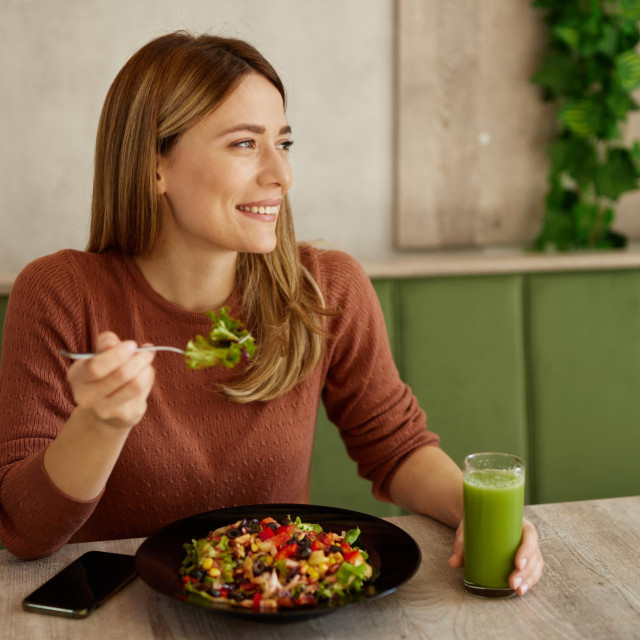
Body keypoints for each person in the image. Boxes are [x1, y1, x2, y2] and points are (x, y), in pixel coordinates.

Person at [0, 32, 542, 595]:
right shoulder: (59, 294)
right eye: (243, 144)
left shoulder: (326, 288)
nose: (281, 174)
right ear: (154, 166)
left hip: (284, 611)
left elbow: (398, 449)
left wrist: (480, 517)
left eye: (283, 143)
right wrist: (101, 423)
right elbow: (26, 531)